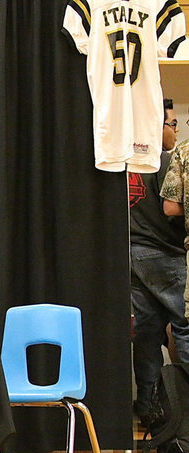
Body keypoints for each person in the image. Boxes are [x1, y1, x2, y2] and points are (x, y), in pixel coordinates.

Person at [130, 98, 189, 421]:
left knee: (148, 335)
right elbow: (172, 210)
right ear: (157, 126)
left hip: (131, 257)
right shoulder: (164, 162)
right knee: (186, 326)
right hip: (165, 255)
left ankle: (149, 407)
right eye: (172, 124)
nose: (175, 130)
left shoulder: (124, 160)